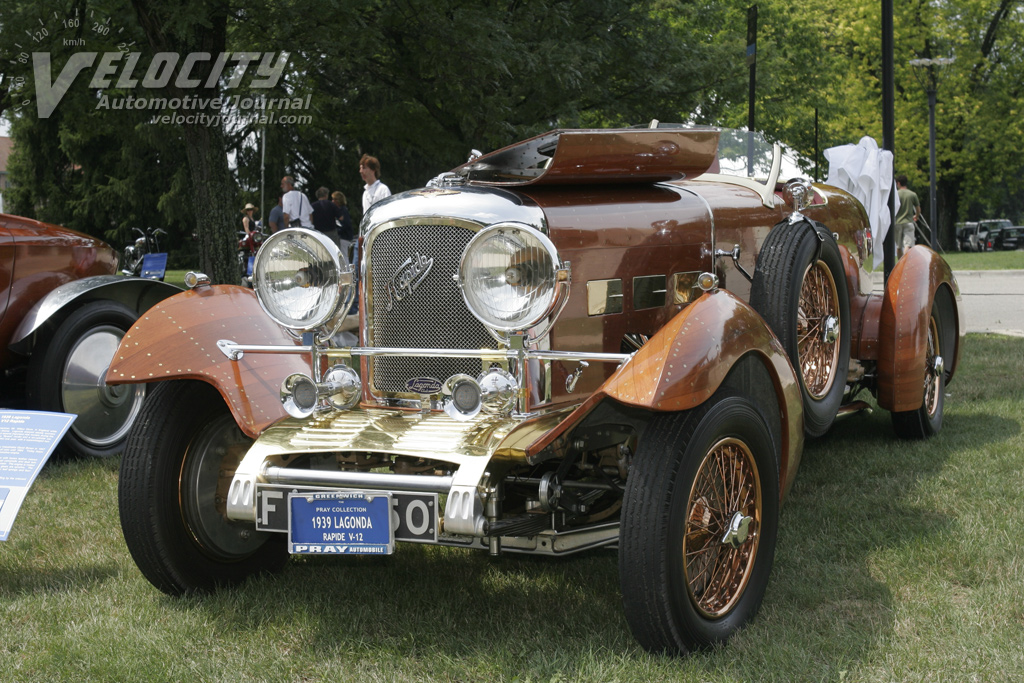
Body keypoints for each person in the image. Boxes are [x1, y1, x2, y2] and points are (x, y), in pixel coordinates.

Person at [895, 175, 921, 258]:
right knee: (908, 245)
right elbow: (918, 209)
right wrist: (916, 216)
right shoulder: (912, 194)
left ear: (898, 183)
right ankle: (905, 261)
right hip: (909, 221)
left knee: (898, 247)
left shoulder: (895, 195)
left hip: (897, 222)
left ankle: (899, 263)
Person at [332, 190, 355, 257]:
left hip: (344, 236)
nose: (332, 201)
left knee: (344, 256)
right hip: (344, 236)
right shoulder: (342, 210)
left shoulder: (342, 211)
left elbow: (346, 224)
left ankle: (346, 267)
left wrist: (338, 231)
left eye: (334, 199)